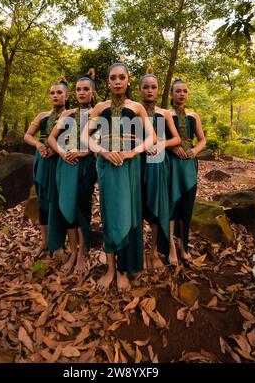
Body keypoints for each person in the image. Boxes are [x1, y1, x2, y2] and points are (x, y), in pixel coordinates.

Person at [80, 62, 156, 291]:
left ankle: (125, 270)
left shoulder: (137, 108)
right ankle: (111, 270)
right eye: (113, 78)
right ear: (108, 82)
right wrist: (103, 151)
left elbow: (152, 138)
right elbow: (85, 136)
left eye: (122, 77)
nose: (117, 81)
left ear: (129, 80)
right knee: (110, 215)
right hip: (106, 166)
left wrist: (132, 152)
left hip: (130, 165)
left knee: (130, 215)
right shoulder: (100, 107)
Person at [48, 70, 97, 275]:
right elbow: (52, 138)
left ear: (93, 93)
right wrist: (61, 153)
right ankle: (73, 252)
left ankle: (82, 255)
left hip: (87, 165)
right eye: (78, 89)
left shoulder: (99, 113)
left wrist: (85, 151)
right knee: (67, 208)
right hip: (66, 165)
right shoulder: (67, 114)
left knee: (83, 210)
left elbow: (103, 141)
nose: (81, 92)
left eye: (86, 89)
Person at [139, 68, 181, 271]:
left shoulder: (164, 113)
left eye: (153, 87)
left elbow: (177, 138)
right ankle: (138, 251)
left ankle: (154, 251)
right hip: (137, 163)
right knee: (137, 207)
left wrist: (161, 144)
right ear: (139, 90)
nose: (149, 90)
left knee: (156, 207)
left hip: (159, 163)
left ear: (158, 91)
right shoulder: (134, 111)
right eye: (145, 87)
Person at [24, 78, 69, 258]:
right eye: (52, 93)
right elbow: (27, 136)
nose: (55, 96)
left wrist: (57, 151)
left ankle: (58, 244)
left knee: (58, 199)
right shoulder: (42, 115)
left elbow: (74, 140)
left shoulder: (71, 115)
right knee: (42, 200)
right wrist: (37, 145)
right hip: (42, 160)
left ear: (66, 96)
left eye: (59, 93)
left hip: (61, 160)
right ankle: (45, 241)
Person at [167, 79, 206, 265]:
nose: (182, 94)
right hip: (171, 165)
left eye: (185, 91)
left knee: (187, 206)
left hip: (189, 164)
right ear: (171, 94)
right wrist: (173, 149)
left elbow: (202, 140)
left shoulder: (193, 115)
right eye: (178, 91)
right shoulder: (165, 115)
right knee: (171, 206)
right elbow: (158, 140)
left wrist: (195, 151)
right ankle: (171, 248)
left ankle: (184, 245)